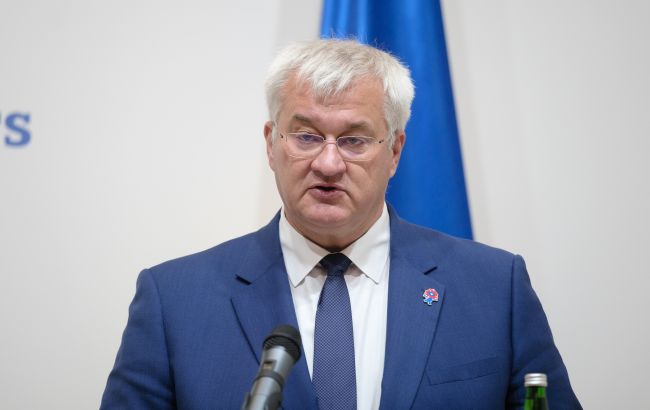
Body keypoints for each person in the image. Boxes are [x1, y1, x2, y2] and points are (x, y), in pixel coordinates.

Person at [101, 39, 581, 409]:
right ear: (271, 143)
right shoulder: (174, 302)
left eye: (354, 140)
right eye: (306, 136)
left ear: (395, 151)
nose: (328, 164)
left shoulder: (494, 289)